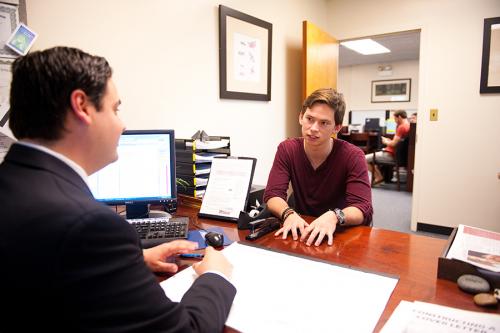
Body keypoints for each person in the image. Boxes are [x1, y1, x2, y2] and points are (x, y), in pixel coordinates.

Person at [0, 47, 236, 332]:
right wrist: (215, 276)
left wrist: (132, 261)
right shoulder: (91, 226)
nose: (122, 125)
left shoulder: (13, 183)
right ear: (82, 106)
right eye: (115, 109)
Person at [263, 88, 373, 247]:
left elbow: (362, 208)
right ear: (301, 117)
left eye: (324, 123)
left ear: (337, 128)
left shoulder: (353, 156)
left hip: (339, 233)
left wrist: (334, 216)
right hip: (302, 229)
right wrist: (288, 213)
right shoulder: (287, 149)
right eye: (309, 119)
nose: (314, 128)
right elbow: (272, 194)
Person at [366, 110, 410, 184]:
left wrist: (386, 141)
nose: (395, 121)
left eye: (395, 119)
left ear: (399, 117)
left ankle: (379, 178)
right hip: (394, 154)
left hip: (390, 154)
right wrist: (390, 141)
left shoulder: (401, 127)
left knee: (364, 159)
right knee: (372, 160)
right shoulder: (408, 125)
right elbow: (396, 143)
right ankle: (379, 178)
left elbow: (393, 144)